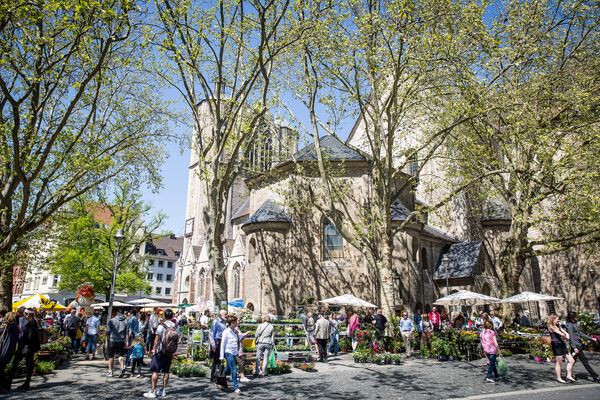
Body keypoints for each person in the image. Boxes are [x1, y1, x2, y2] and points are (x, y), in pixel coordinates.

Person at [144, 308, 178, 398]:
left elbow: (156, 339)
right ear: (172, 316)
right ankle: (163, 390)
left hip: (160, 351)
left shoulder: (161, 326)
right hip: (169, 351)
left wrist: (154, 350)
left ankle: (152, 391)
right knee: (166, 371)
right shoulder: (174, 326)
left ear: (164, 316)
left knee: (155, 371)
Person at [8, 309, 40, 390]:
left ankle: (9, 383)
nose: (23, 315)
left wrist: (25, 346)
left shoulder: (31, 323)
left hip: (26, 347)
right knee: (28, 364)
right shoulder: (32, 322)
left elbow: (30, 335)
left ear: (28, 315)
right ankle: (26, 382)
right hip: (28, 347)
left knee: (16, 363)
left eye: (24, 314)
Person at [566, 311, 600, 382]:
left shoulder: (573, 324)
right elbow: (571, 337)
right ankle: (595, 376)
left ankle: (569, 376)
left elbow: (579, 333)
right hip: (576, 346)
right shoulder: (569, 325)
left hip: (577, 345)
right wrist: (574, 347)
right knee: (584, 362)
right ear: (572, 317)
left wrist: (591, 338)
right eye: (575, 316)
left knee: (572, 361)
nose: (577, 317)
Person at [548, 314, 575, 383]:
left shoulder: (558, 326)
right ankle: (559, 378)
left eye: (559, 319)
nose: (559, 320)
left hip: (562, 344)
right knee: (559, 362)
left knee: (572, 360)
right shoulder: (551, 326)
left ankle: (569, 376)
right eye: (557, 319)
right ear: (553, 319)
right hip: (556, 345)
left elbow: (564, 332)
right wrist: (566, 336)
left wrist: (567, 335)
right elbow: (561, 334)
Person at [219, 315, 242, 394]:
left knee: (228, 369)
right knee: (234, 369)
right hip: (228, 352)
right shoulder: (226, 332)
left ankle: (219, 380)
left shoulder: (235, 331)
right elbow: (223, 344)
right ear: (232, 323)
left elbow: (237, 341)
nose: (237, 323)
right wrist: (221, 356)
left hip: (234, 352)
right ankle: (236, 387)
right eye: (236, 322)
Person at [106, 308, 129, 378]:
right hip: (121, 340)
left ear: (117, 313)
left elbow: (108, 331)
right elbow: (127, 333)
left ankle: (110, 371)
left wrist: (108, 338)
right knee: (120, 355)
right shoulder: (126, 322)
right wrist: (127, 341)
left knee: (111, 356)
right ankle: (122, 367)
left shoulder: (112, 321)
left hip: (113, 339)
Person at [0, 312, 20, 394]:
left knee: (1, 368)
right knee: (2, 367)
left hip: (4, 349)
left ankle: (4, 386)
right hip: (11, 349)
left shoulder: (7, 327)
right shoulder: (15, 327)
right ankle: (5, 385)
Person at [209, 310, 228, 383]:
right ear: (220, 315)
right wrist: (213, 344)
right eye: (225, 314)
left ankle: (220, 375)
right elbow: (211, 333)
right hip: (217, 342)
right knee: (216, 361)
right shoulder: (216, 322)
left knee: (221, 360)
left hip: (223, 342)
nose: (226, 315)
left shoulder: (224, 323)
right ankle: (213, 377)